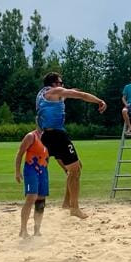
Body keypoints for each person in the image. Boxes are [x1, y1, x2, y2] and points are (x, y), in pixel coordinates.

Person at [35, 72, 106, 219]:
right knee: (75, 170)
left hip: (45, 137)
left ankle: (66, 203)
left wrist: (72, 90)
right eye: (61, 83)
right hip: (58, 136)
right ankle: (74, 208)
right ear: (54, 84)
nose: (63, 85)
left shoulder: (43, 94)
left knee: (73, 169)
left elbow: (68, 94)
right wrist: (99, 101)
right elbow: (80, 96)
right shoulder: (54, 92)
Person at [14, 127, 48, 238]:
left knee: (41, 200)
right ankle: (23, 230)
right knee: (31, 197)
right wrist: (17, 171)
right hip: (31, 170)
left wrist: (67, 168)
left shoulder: (50, 137)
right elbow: (20, 153)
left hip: (43, 170)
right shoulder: (31, 136)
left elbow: (57, 155)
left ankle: (37, 230)